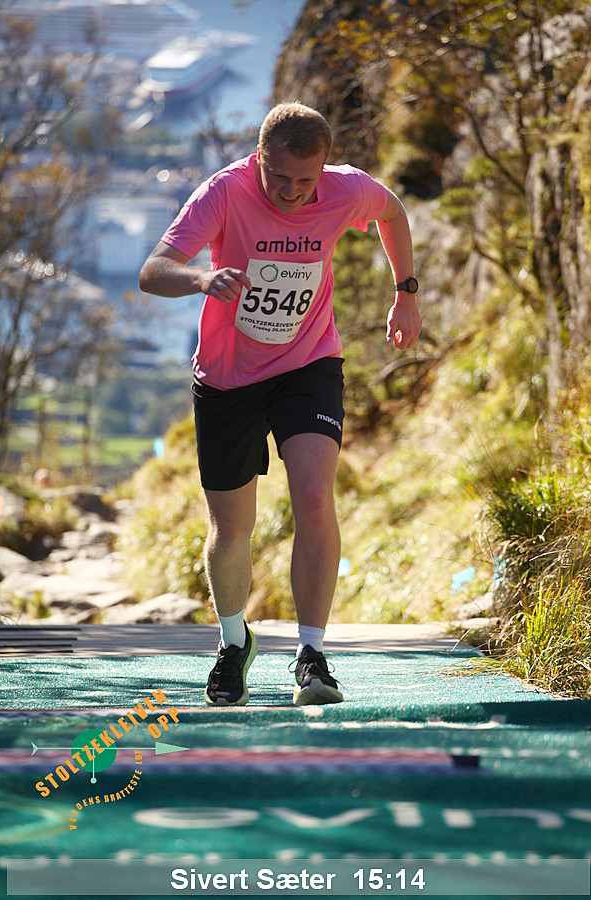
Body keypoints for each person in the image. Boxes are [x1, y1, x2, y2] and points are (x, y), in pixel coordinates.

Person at [138, 102, 421, 707]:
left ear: (323, 168)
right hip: (227, 378)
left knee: (315, 496)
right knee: (232, 527)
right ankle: (233, 642)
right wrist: (202, 279)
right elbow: (153, 271)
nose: (292, 192)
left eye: (305, 181)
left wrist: (406, 293)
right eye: (280, 177)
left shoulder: (345, 190)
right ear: (259, 158)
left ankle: (312, 655)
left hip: (308, 363)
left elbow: (393, 212)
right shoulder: (223, 193)